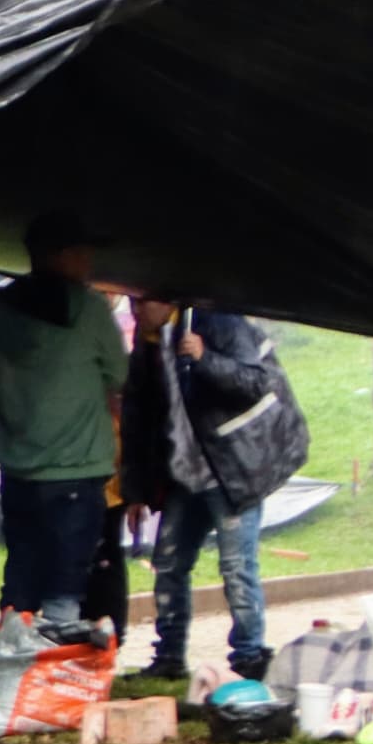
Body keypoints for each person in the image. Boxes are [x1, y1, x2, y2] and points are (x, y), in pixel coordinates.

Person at [121, 289, 309, 684]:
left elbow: (259, 383)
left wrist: (206, 359)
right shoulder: (147, 345)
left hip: (234, 468)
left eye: (143, 302)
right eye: (133, 304)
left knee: (237, 567)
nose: (136, 311)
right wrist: (135, 490)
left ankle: (249, 654)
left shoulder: (218, 322)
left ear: (168, 301)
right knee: (169, 564)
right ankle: (169, 655)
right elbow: (138, 419)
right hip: (183, 475)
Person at [0, 212, 129, 643]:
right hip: (76, 470)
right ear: (62, 255)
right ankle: (53, 671)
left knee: (21, 575)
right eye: (83, 251)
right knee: (66, 582)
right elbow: (120, 374)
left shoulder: (0, 305)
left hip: (19, 467)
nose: (90, 260)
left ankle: (9, 661)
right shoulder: (88, 308)